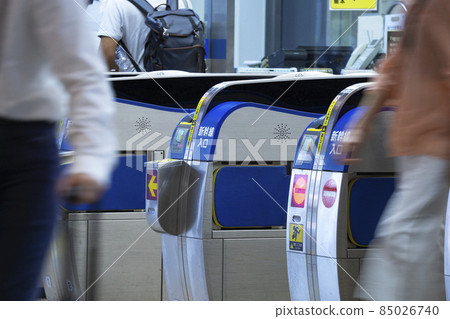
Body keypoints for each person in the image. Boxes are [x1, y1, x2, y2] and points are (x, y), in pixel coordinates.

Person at [0, 0, 117, 300]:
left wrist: (90, 159)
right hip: (24, 148)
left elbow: (83, 73)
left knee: (11, 291)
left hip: (20, 148)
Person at [342, 0, 450, 300]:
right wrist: (361, 124)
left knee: (407, 231)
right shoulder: (420, 7)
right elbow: (393, 69)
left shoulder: (436, 6)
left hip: (434, 135)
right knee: (420, 233)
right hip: (418, 134)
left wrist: (362, 124)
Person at [98, 0, 192, 72]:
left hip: (136, 85)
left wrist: (116, 71)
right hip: (180, 81)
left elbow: (106, 54)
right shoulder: (183, 2)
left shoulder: (117, 3)